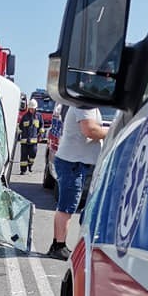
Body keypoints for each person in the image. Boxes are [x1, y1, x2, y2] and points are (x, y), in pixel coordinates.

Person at [47, 105, 108, 260]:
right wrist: (112, 131)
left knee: (66, 206)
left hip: (75, 162)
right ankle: (58, 246)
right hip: (72, 163)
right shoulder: (84, 105)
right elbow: (90, 130)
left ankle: (57, 244)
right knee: (67, 206)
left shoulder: (89, 106)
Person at [17, 98, 43, 175]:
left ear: (35, 108)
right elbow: (20, 126)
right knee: (23, 156)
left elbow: (41, 126)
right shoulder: (24, 116)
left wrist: (40, 135)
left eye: (33, 108)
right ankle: (23, 170)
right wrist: (20, 134)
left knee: (33, 154)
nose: (31, 110)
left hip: (34, 141)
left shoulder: (39, 116)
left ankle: (30, 165)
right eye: (30, 108)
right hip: (24, 141)